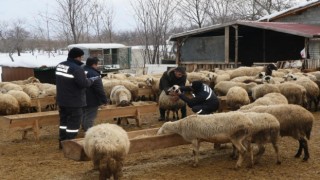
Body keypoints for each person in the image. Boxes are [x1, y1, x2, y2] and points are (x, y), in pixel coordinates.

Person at [55, 47, 99, 149]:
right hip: (74, 101)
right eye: (81, 57)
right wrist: (91, 80)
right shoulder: (77, 69)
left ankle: (62, 142)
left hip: (62, 100)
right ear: (77, 57)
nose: (81, 59)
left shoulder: (60, 65)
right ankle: (70, 145)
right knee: (73, 124)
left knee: (63, 122)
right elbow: (83, 84)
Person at [82, 57, 108, 132]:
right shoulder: (94, 74)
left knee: (84, 114)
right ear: (93, 64)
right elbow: (99, 89)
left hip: (81, 98)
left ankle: (84, 128)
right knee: (90, 117)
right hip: (91, 99)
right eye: (97, 64)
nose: (98, 66)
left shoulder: (82, 70)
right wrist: (104, 100)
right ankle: (88, 132)